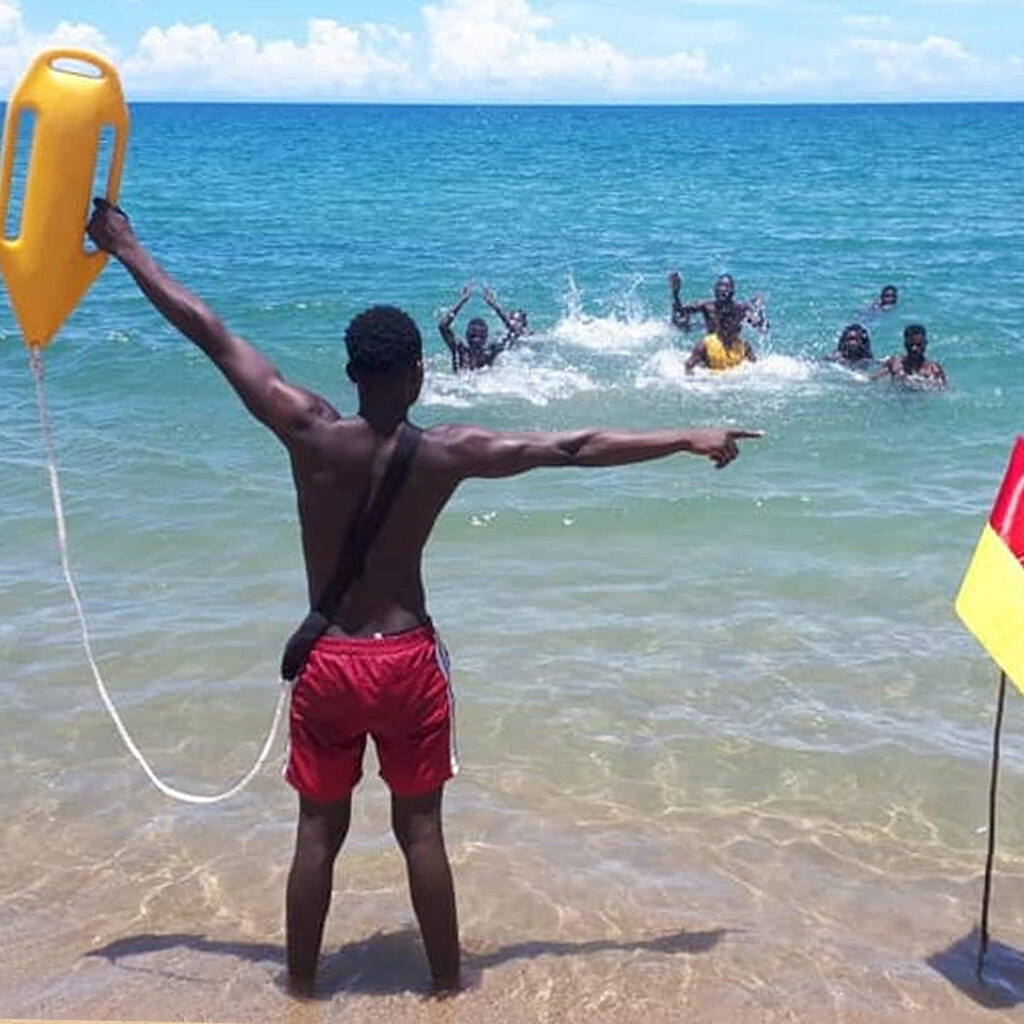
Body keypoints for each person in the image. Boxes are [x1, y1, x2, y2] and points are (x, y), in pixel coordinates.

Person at [85, 197, 761, 999]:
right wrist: (686, 436)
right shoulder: (448, 453)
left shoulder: (306, 430)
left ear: (349, 373)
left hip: (330, 659)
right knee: (421, 831)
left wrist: (128, 250)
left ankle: (299, 992)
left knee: (316, 833)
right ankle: (448, 993)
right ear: (419, 373)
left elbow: (212, 334)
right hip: (405, 661)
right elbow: (571, 447)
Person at [438, 283, 517, 372]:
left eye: (480, 335)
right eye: (474, 335)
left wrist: (496, 306)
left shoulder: (488, 353)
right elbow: (442, 326)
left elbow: (514, 333)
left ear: (486, 337)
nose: (477, 339)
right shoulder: (461, 351)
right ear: (467, 336)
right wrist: (462, 301)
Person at [668, 271, 767, 336]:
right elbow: (679, 310)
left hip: (731, 347)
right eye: (720, 286)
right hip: (712, 346)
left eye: (726, 286)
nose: (722, 289)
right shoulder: (706, 305)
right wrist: (675, 292)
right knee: (680, 323)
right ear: (714, 289)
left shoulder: (740, 309)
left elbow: (763, 328)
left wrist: (760, 310)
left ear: (733, 291)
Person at [684, 305, 756, 374]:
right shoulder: (705, 344)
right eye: (728, 328)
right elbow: (689, 365)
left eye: (736, 328)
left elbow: (755, 368)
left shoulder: (744, 346)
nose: (733, 332)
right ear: (720, 327)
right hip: (713, 384)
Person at [871, 323, 947, 389]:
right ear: (905, 344)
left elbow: (945, 391)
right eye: (910, 345)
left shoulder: (933, 369)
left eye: (918, 345)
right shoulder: (895, 363)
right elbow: (872, 379)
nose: (914, 348)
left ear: (926, 344)